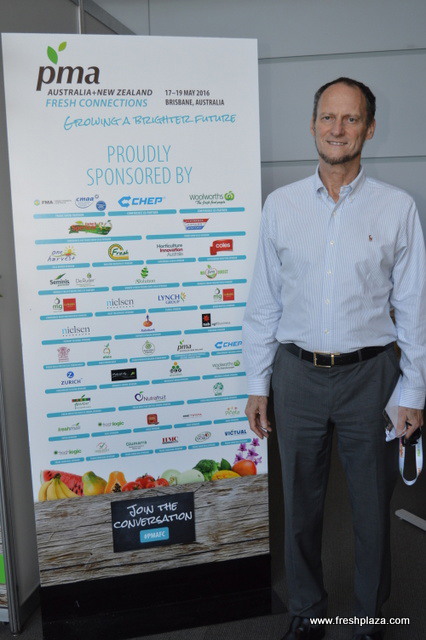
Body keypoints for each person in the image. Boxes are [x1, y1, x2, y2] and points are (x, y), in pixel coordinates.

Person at [242, 77, 426, 640]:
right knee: (299, 505)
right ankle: (308, 609)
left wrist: (413, 392)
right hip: (296, 375)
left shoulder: (397, 208)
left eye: (350, 119)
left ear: (369, 129)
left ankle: (369, 616)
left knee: (371, 507)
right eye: (328, 117)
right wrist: (258, 382)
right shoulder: (282, 206)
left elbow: (413, 308)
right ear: (313, 124)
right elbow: (264, 302)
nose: (337, 129)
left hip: (372, 377)